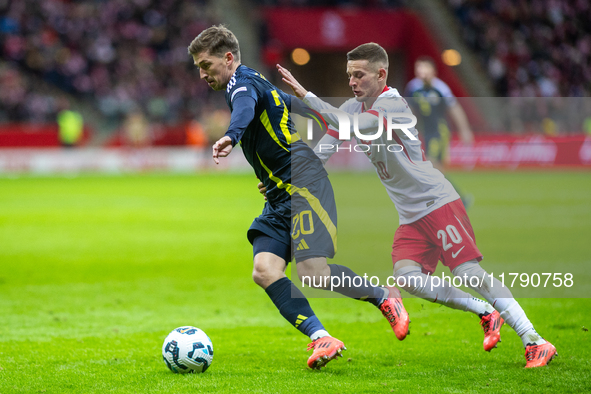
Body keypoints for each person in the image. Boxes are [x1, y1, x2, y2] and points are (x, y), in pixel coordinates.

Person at [275, 42, 556, 368]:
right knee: (408, 278)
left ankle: (535, 340)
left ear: (381, 74)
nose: (352, 82)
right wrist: (287, 180)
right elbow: (323, 150)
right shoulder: (352, 108)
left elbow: (356, 127)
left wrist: (306, 97)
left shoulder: (392, 104)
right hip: (411, 216)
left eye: (359, 75)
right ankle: (485, 311)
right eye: (349, 75)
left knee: (469, 272)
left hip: (437, 202)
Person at [187, 26, 409, 370]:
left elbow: (244, 109)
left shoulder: (241, 86)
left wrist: (231, 136)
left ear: (228, 59)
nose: (202, 74)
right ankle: (322, 337)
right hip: (279, 193)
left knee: (313, 273)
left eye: (206, 65)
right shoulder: (257, 82)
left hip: (303, 186)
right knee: (264, 270)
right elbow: (289, 105)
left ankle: (385, 299)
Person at [404, 56, 474, 207]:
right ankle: (457, 199)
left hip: (439, 131)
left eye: (425, 68)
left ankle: (449, 200)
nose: (421, 72)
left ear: (433, 71)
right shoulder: (413, 87)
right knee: (437, 169)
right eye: (419, 68)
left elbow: (454, 108)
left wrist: (464, 130)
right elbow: (410, 109)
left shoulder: (440, 88)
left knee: (431, 165)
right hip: (426, 132)